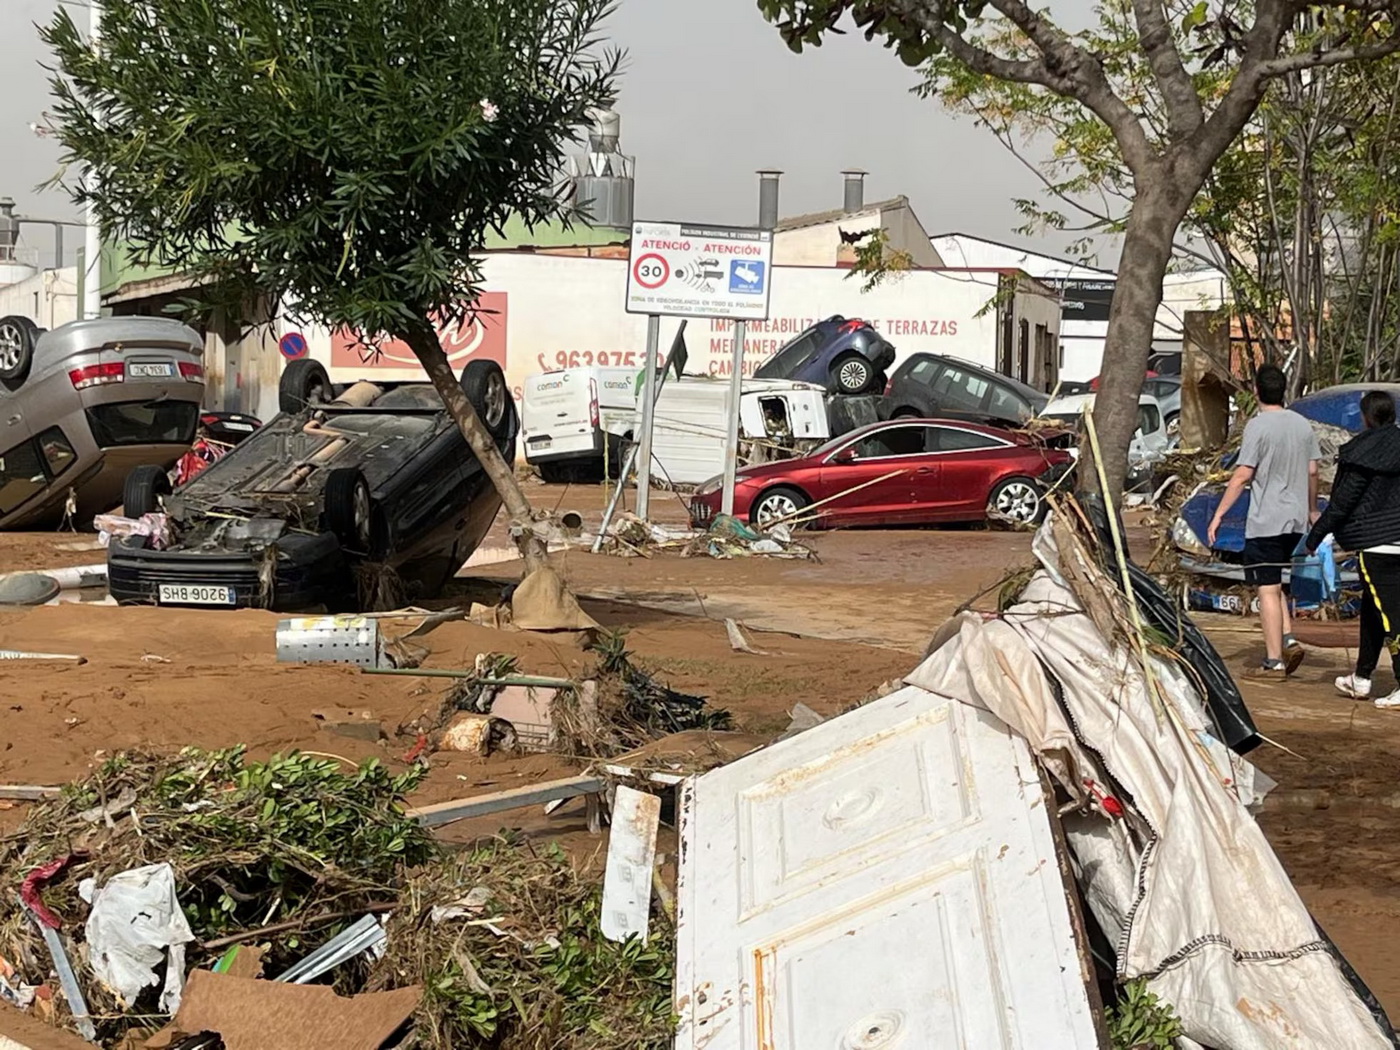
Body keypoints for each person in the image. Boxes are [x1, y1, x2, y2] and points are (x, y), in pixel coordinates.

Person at [1208, 364, 1321, 679]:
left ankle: (1273, 662)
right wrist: (1312, 509)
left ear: (1256, 390)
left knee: (1266, 589)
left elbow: (1243, 474)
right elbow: (1313, 471)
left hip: (1266, 521)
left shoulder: (1257, 426)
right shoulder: (1302, 425)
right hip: (1295, 520)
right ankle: (1288, 639)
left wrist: (1219, 514)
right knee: (1276, 584)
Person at [1304, 390, 1400, 707]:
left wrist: (1314, 538)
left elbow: (1342, 503)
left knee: (1392, 617)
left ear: (1366, 417)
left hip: (1379, 547)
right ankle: (1361, 677)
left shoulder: (1362, 453)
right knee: (1373, 612)